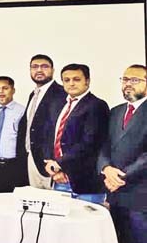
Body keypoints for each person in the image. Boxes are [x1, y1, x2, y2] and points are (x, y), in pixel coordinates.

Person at [43, 63, 110, 204]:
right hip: (59, 179)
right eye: (66, 80)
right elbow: (50, 137)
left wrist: (59, 164)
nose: (71, 83)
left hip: (85, 183)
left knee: (86, 219)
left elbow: (90, 144)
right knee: (60, 218)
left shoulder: (97, 105)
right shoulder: (58, 105)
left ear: (87, 81)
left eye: (76, 79)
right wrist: (54, 168)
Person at [98, 65, 147, 243]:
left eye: (135, 80)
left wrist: (120, 176)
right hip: (115, 195)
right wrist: (106, 168)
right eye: (125, 79)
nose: (128, 84)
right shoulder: (116, 111)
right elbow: (104, 145)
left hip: (141, 196)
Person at [16, 54, 67, 189]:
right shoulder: (33, 94)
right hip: (32, 158)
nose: (39, 70)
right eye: (34, 67)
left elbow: (63, 130)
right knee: (36, 199)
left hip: (51, 162)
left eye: (44, 66)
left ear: (53, 70)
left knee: (53, 200)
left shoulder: (62, 93)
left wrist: (60, 163)